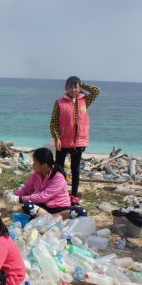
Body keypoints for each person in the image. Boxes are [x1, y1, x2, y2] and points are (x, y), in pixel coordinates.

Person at [50, 76, 100, 205]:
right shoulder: (59, 103)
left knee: (75, 169)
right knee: (58, 169)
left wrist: (81, 84)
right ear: (66, 88)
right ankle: (58, 192)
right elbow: (53, 123)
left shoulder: (85, 101)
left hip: (79, 141)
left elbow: (96, 90)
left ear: (79, 88)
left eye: (76, 86)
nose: (73, 89)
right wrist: (56, 137)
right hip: (63, 141)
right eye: (71, 86)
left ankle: (74, 195)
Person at [5, 148, 88, 220]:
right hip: (44, 208)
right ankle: (50, 218)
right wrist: (13, 194)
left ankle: (49, 217)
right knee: (27, 205)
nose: (33, 165)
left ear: (44, 165)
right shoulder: (35, 175)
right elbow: (27, 189)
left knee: (80, 212)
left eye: (35, 163)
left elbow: (44, 196)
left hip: (60, 209)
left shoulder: (58, 177)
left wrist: (18, 199)